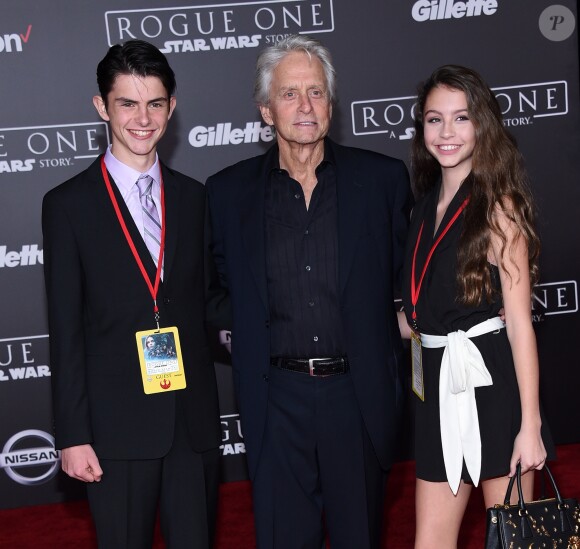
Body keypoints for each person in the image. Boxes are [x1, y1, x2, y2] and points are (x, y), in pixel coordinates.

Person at [206, 35, 413, 548]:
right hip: (276, 399)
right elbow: (210, 292)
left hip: (357, 397)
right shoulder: (227, 193)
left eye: (316, 92)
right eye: (290, 94)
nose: (305, 106)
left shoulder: (382, 181)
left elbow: (410, 278)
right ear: (265, 111)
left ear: (331, 104)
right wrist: (250, 332)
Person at [42, 40, 229, 549]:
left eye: (155, 103)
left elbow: (209, 298)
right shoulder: (68, 206)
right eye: (127, 103)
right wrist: (73, 435)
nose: (142, 119)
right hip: (114, 430)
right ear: (102, 106)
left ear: (172, 106)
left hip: (192, 424)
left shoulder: (194, 197)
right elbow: (65, 329)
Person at [400, 64, 556, 548]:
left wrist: (529, 427)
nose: (446, 132)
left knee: (516, 541)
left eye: (461, 118)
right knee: (431, 541)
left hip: (493, 389)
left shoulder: (498, 206)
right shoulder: (422, 207)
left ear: (482, 125)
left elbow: (519, 328)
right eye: (434, 119)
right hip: (436, 391)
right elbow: (418, 317)